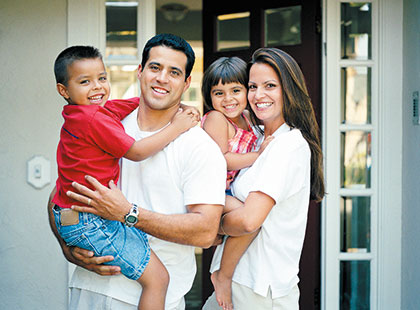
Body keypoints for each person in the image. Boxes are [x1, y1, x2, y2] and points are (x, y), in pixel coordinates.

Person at [47, 34, 226, 310]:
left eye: (174, 72)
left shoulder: (199, 147)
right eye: (155, 67)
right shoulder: (105, 122)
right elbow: (61, 193)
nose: (162, 78)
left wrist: (128, 213)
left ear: (187, 83)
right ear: (140, 71)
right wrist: (67, 247)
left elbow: (205, 231)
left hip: (148, 299)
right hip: (88, 289)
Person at [202, 47, 325, 310]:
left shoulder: (286, 146)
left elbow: (248, 221)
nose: (259, 95)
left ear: (289, 89)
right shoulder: (257, 137)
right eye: (253, 86)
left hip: (258, 289)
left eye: (270, 85)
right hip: (238, 284)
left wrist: (210, 225)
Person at [200, 56, 273, 309]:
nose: (227, 98)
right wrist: (260, 156)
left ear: (247, 90)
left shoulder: (249, 118)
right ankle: (223, 275)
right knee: (248, 220)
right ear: (209, 96)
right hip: (212, 190)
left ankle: (216, 231)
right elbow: (221, 160)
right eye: (219, 92)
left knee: (251, 218)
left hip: (230, 189)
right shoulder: (216, 119)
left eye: (235, 90)